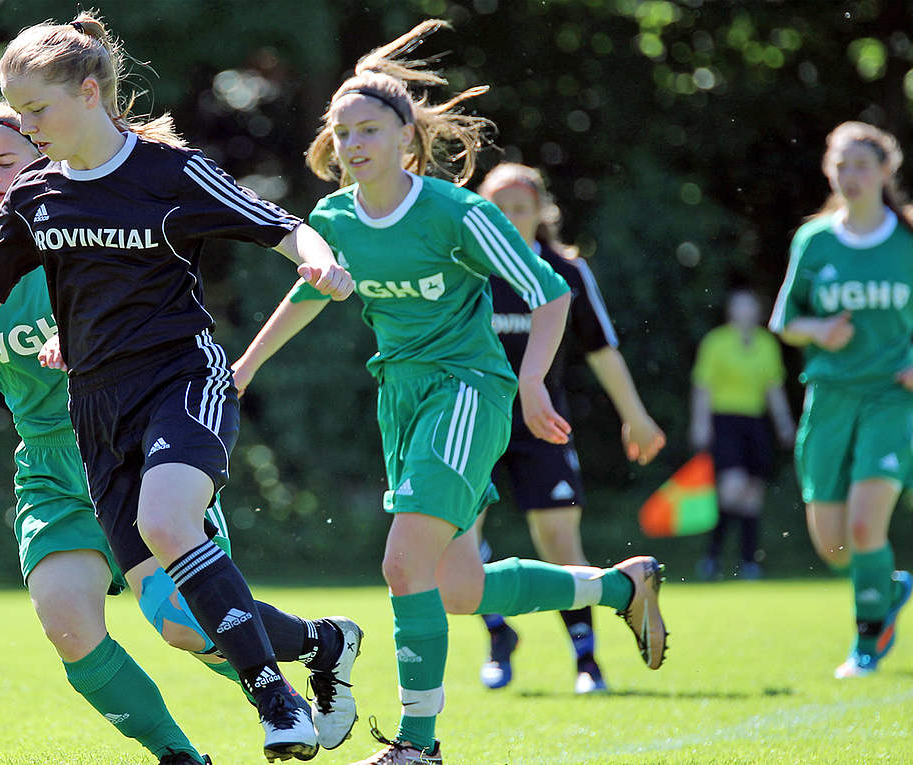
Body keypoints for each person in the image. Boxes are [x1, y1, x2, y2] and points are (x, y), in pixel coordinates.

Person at [0, 14, 362, 762]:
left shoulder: (165, 172)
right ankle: (324, 646)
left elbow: (278, 224)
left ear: (89, 92)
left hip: (181, 380)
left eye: (35, 112)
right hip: (96, 415)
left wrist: (320, 258)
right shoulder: (37, 196)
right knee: (181, 622)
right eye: (17, 112)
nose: (27, 126)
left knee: (167, 523)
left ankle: (276, 702)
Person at [232, 21, 667, 765]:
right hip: (400, 398)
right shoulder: (335, 219)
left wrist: (531, 381)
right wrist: (242, 369)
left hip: (467, 391)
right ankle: (619, 588)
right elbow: (309, 295)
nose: (354, 142)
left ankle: (417, 746)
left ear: (407, 138)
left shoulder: (458, 212)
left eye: (370, 128)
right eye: (343, 132)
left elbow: (550, 293)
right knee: (459, 588)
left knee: (403, 566)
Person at [0, 100, 224, 764]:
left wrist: (78, 334)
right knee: (69, 627)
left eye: (6, 161)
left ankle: (282, 686)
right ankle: (178, 755)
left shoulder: (86, 232)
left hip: (127, 443)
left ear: (43, 156)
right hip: (49, 466)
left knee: (187, 626)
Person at [471, 162, 667, 695]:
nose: (510, 219)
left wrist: (636, 415)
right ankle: (498, 635)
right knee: (454, 550)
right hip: (471, 424)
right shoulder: (466, 268)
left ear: (541, 213)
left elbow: (602, 349)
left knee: (559, 541)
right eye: (498, 209)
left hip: (543, 425)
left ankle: (587, 661)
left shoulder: (566, 273)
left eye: (521, 208)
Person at [769, 120, 913, 678]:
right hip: (829, 399)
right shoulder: (816, 240)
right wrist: (820, 329)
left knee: (863, 528)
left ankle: (867, 640)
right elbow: (785, 320)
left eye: (860, 165)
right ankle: (888, 586)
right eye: (840, 165)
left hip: (889, 400)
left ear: (885, 171)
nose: (849, 176)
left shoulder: (906, 241)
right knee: (833, 549)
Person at [691, 288, 795, 580]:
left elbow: (773, 389)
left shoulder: (766, 344)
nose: (745, 312)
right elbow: (703, 386)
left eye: (750, 306)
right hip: (725, 421)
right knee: (732, 488)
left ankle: (749, 561)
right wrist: (700, 425)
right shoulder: (716, 342)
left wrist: (785, 424)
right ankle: (711, 557)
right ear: (731, 311)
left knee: (752, 496)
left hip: (755, 423)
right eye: (740, 306)